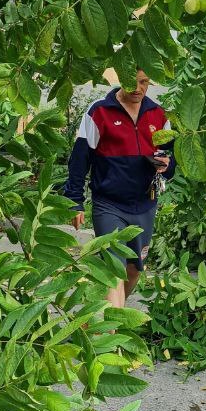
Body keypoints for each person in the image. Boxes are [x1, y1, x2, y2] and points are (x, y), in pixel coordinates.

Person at [64, 72, 175, 307]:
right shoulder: (100, 111)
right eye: (131, 81)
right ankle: (112, 337)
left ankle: (113, 321)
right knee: (114, 266)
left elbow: (170, 160)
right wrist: (75, 200)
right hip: (108, 204)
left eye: (144, 82)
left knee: (134, 269)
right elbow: (80, 159)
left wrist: (167, 165)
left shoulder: (158, 114)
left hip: (145, 204)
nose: (137, 88)